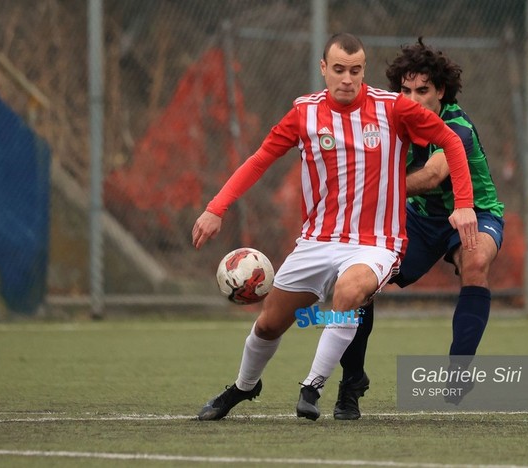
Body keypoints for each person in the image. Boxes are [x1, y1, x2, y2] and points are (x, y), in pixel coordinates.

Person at [191, 33, 477, 421]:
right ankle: (244, 387)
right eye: (339, 69)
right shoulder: (304, 113)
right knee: (270, 324)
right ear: (323, 68)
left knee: (348, 294)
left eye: (355, 70)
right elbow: (260, 159)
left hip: (376, 243)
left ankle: (313, 386)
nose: (347, 78)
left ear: (364, 71)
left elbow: (452, 142)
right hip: (317, 241)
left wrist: (463, 206)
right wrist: (216, 208)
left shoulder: (393, 109)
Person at [334, 38, 505, 420]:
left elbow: (431, 175)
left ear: (440, 91)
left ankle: (459, 370)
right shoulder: (393, 121)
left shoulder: (456, 125)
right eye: (406, 90)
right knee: (361, 282)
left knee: (475, 260)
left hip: (474, 212)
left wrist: (374, 185)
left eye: (423, 90)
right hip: (419, 219)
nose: (413, 98)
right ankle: (352, 381)